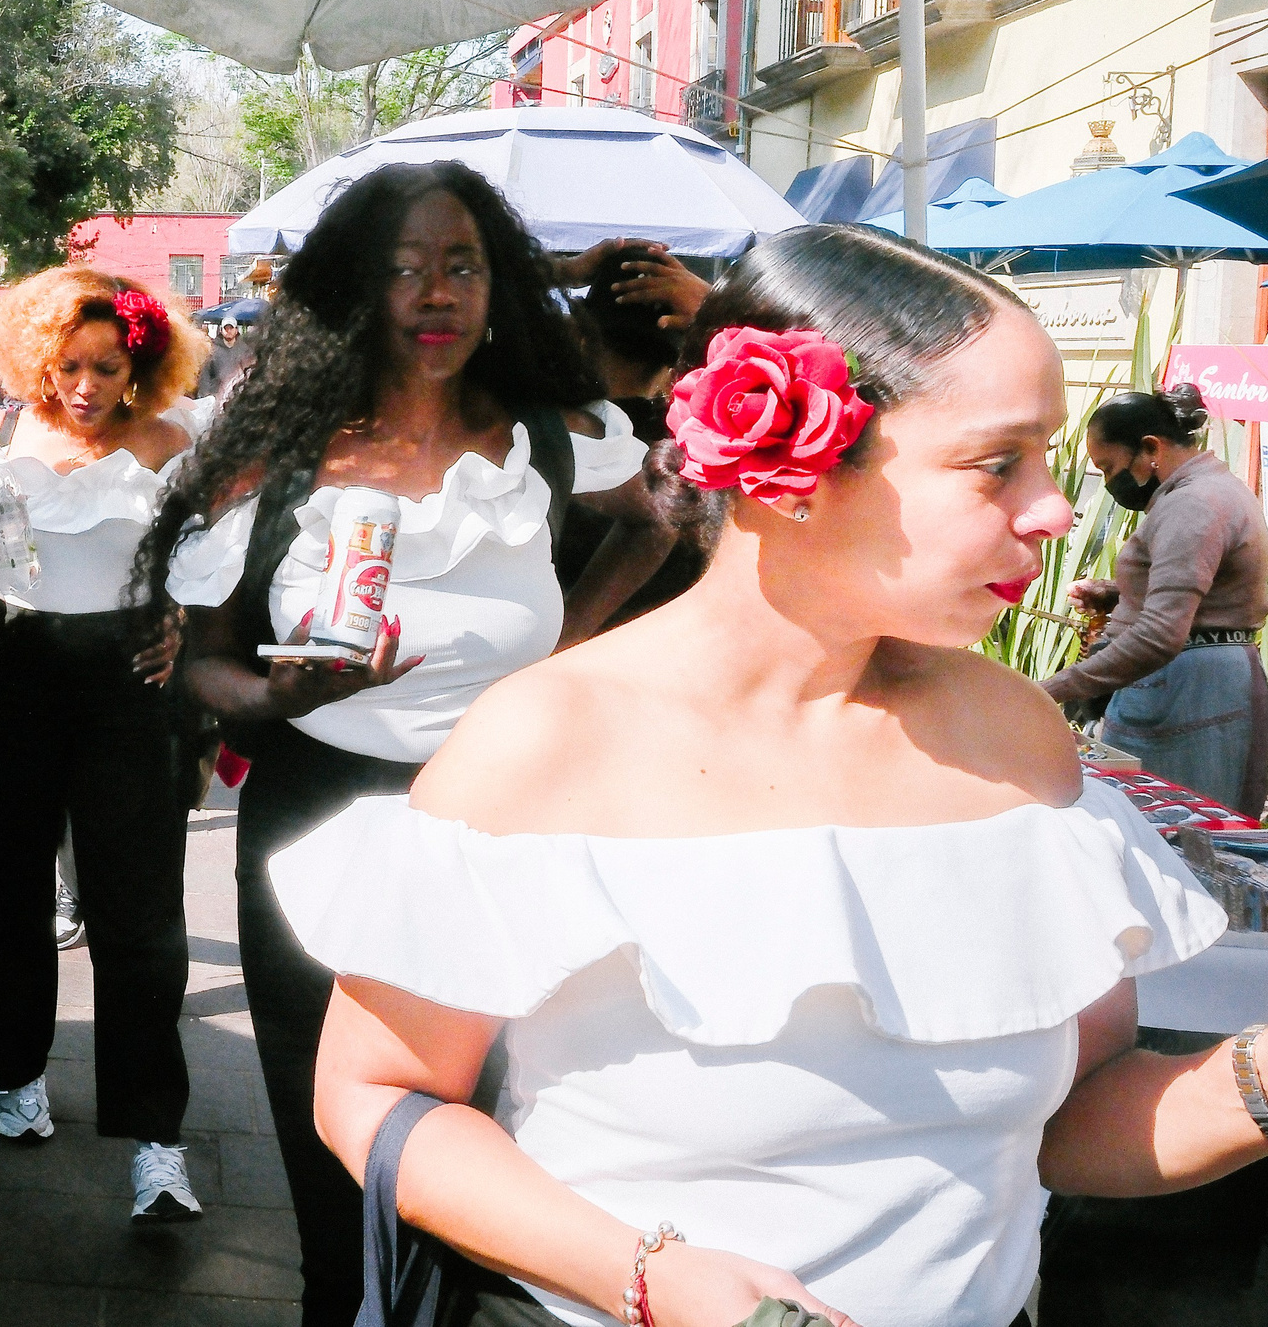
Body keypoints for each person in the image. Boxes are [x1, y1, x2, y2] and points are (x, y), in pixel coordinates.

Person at [293, 223, 1265, 1327]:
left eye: (1047, 455)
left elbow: (1073, 1125)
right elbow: (372, 1094)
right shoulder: (546, 742)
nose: (1049, 508)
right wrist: (649, 1276)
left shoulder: (1015, 740)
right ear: (790, 469)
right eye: (997, 462)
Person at [135, 163, 671, 1326]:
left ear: (499, 287)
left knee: (492, 1127)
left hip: (512, 815)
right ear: (352, 294)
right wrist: (284, 694)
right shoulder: (275, 454)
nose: (436, 293)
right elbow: (199, 661)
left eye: (461, 265)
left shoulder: (551, 436)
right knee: (335, 1143)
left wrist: (566, 656)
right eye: (402, 269)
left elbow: (658, 517)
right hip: (320, 814)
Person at [0, 266, 209, 1221]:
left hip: (127, 677)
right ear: (37, 362)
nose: (84, 386)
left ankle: (156, 1139)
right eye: (66, 366)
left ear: (141, 365)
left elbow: (210, 562)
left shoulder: (176, 441)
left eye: (106, 366)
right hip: (16, 667)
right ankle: (15, 1069)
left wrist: (182, 621)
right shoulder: (7, 432)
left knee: (137, 911)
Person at [1045, 384, 1268, 813]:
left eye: (1109, 468)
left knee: (1180, 845)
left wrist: (1053, 687)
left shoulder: (1192, 505)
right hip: (1196, 684)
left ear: (1150, 449)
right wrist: (1118, 594)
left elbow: (1161, 635)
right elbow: (1209, 593)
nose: (1110, 483)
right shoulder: (1211, 490)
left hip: (1188, 691)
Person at [554, 239, 714, 629]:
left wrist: (560, 271)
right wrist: (720, 309)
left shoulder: (534, 432)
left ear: (579, 331)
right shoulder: (714, 446)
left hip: (548, 661)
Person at [196, 313, 256, 401]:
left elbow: (251, 373)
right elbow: (205, 376)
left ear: (236, 330)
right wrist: (204, 397)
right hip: (217, 398)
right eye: (226, 328)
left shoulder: (245, 349)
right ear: (221, 330)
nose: (228, 331)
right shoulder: (212, 350)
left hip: (239, 399)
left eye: (231, 328)